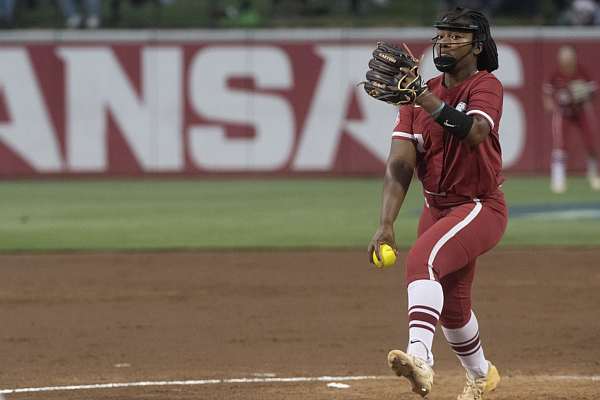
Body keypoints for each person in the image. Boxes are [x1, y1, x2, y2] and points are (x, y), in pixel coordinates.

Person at [367, 7, 506, 400]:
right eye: (442, 34)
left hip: (479, 206)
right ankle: (482, 375)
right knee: (453, 310)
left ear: (477, 46)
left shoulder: (485, 85)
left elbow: (476, 132)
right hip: (436, 210)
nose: (445, 41)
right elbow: (400, 162)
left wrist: (424, 98)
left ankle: (420, 358)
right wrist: (386, 222)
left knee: (421, 261)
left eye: (457, 36)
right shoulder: (415, 96)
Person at [542, 44, 600, 193]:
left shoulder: (581, 71)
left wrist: (583, 93)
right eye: (564, 56)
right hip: (563, 111)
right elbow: (547, 93)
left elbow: (593, 92)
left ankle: (593, 174)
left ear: (574, 57)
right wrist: (552, 105)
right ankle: (558, 179)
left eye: (569, 56)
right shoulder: (556, 73)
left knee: (590, 142)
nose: (566, 59)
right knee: (560, 145)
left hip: (581, 110)